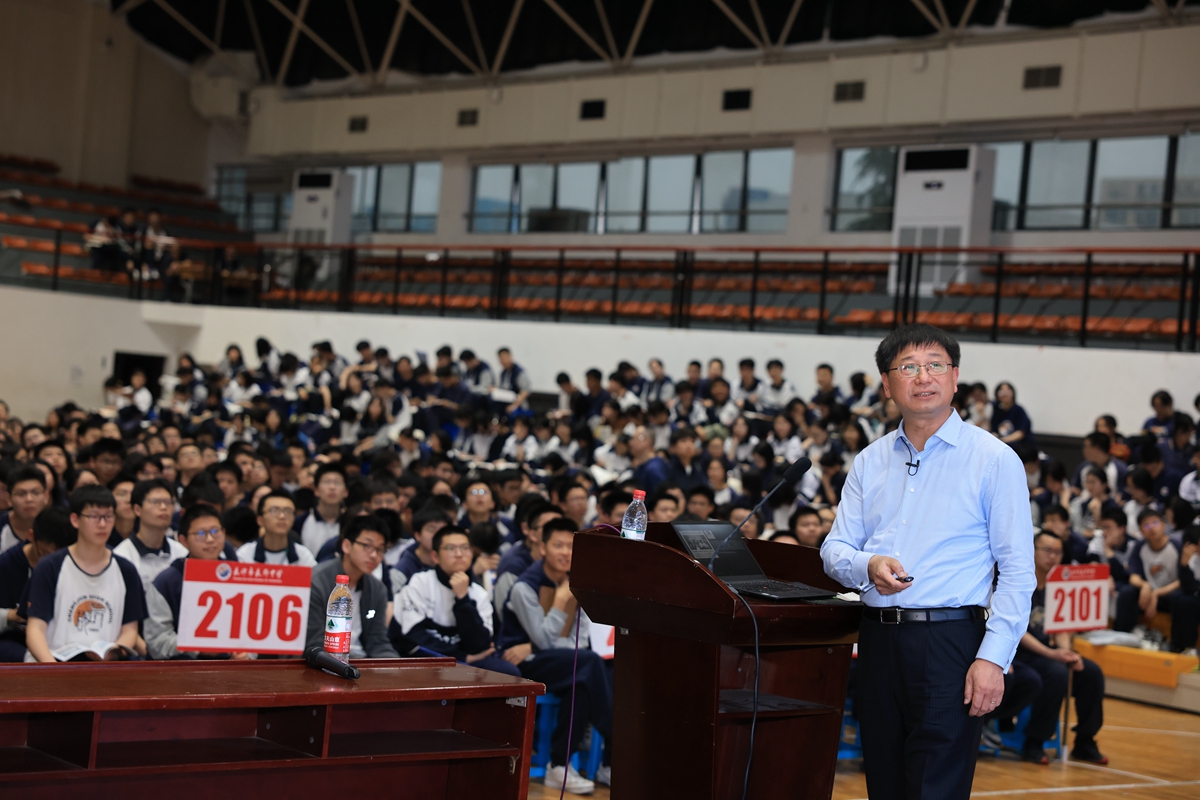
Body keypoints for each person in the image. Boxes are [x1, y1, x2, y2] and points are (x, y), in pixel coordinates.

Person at [820, 324, 1035, 800]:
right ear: (887, 384)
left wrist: (993, 658)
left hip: (950, 643)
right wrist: (867, 564)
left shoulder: (993, 459)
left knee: (936, 787)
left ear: (955, 377)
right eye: (908, 367)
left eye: (935, 364)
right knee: (885, 783)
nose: (923, 377)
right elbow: (834, 551)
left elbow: (1018, 571)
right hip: (877, 639)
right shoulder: (869, 460)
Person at [497, 518, 612, 793]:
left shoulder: (577, 583)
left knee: (581, 683)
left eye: (571, 547)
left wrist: (539, 645)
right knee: (588, 664)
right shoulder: (524, 587)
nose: (566, 553)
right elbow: (545, 640)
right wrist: (560, 602)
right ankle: (615, 742)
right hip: (522, 663)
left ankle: (559, 766)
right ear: (542, 548)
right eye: (558, 545)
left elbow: (579, 640)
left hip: (560, 661)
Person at [24, 486, 147, 662]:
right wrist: (54, 669)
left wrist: (110, 655)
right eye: (94, 517)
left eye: (108, 516)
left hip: (104, 667)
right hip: (53, 664)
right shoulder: (50, 567)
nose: (102, 524)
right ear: (75, 520)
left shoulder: (126, 569)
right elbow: (35, 630)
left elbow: (130, 630)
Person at [1015, 532, 1108, 764]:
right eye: (1047, 550)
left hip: (1048, 652)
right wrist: (1052, 654)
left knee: (1091, 673)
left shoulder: (1057, 585)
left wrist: (1066, 653)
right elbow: (1016, 630)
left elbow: (1061, 627)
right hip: (1019, 653)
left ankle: (1085, 740)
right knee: (1055, 673)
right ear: (1032, 550)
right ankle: (1034, 742)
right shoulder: (1018, 582)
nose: (1052, 556)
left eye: (1057, 552)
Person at [396, 525, 518, 674]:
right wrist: (459, 658)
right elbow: (413, 638)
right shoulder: (419, 583)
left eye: (465, 548)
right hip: (428, 661)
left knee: (508, 672)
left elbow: (479, 645)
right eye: (451, 548)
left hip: (467, 662)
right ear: (435, 556)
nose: (459, 554)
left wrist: (463, 599)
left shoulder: (479, 594)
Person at [144, 505, 249, 660]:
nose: (210, 539)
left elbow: (252, 631)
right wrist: (197, 647)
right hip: (182, 669)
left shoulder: (241, 576)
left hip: (234, 668)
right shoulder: (166, 582)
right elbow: (156, 641)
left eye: (215, 531)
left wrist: (247, 653)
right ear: (183, 540)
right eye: (200, 534)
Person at [305, 515, 398, 659]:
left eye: (380, 549)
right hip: (327, 661)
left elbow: (377, 641)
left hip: (362, 662)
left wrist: (395, 666)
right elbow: (314, 642)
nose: (374, 555)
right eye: (367, 546)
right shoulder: (316, 582)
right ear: (347, 546)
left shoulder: (378, 589)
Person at [1115, 508, 1198, 652]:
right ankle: (1122, 637)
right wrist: (1145, 585)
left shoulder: (1177, 545)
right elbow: (1133, 577)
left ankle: (1179, 647)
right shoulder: (1139, 546)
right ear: (1141, 530)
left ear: (1164, 525)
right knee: (1127, 592)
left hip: (1170, 594)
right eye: (1146, 525)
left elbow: (1184, 580)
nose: (1152, 528)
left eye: (1155, 523)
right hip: (1148, 595)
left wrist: (1158, 592)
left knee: (1182, 598)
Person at [0, 507, 75, 662]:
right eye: (45, 553)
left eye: (58, 555)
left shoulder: (73, 564)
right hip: (16, 639)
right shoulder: (6, 564)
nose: (51, 562)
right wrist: (10, 616)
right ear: (31, 536)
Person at [113, 479, 188, 592]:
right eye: (156, 502)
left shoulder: (182, 553)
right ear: (137, 509)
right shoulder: (122, 556)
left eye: (168, 502)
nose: (163, 507)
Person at [237, 490, 317, 566]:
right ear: (260, 520)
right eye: (274, 511)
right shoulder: (245, 554)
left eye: (288, 511)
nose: (282, 516)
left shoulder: (304, 556)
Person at [296, 463, 347, 554]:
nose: (332, 487)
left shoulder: (350, 523)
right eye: (327, 482)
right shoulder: (300, 522)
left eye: (337, 483)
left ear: (346, 492)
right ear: (316, 490)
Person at [0, 465, 49, 551]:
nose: (29, 499)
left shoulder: (58, 525)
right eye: (21, 494)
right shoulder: (2, 525)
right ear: (9, 499)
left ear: (46, 496)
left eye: (36, 493)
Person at [990, 381, 1033, 448]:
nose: (1005, 394)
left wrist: (1003, 440)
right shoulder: (997, 411)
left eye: (1008, 391)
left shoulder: (1018, 410)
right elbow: (994, 431)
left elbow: (1020, 433)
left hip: (1020, 446)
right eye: (1002, 392)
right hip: (1003, 446)